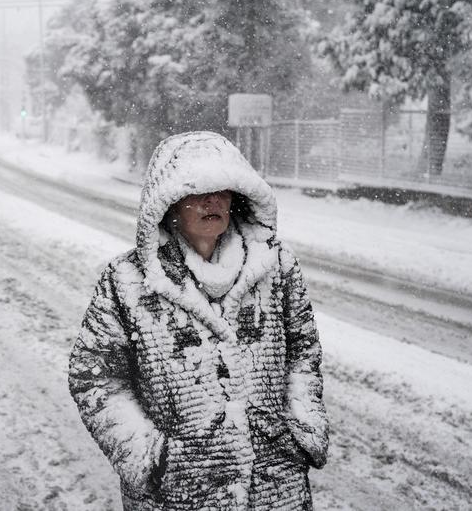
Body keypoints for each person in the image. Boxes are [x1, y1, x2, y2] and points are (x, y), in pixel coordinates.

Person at [68, 131, 329, 510]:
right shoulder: (126, 280)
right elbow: (95, 378)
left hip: (276, 489)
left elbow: (303, 355)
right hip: (177, 494)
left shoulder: (276, 266)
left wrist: (302, 429)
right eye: (197, 191)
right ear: (169, 203)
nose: (212, 200)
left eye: (222, 189)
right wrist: (150, 457)